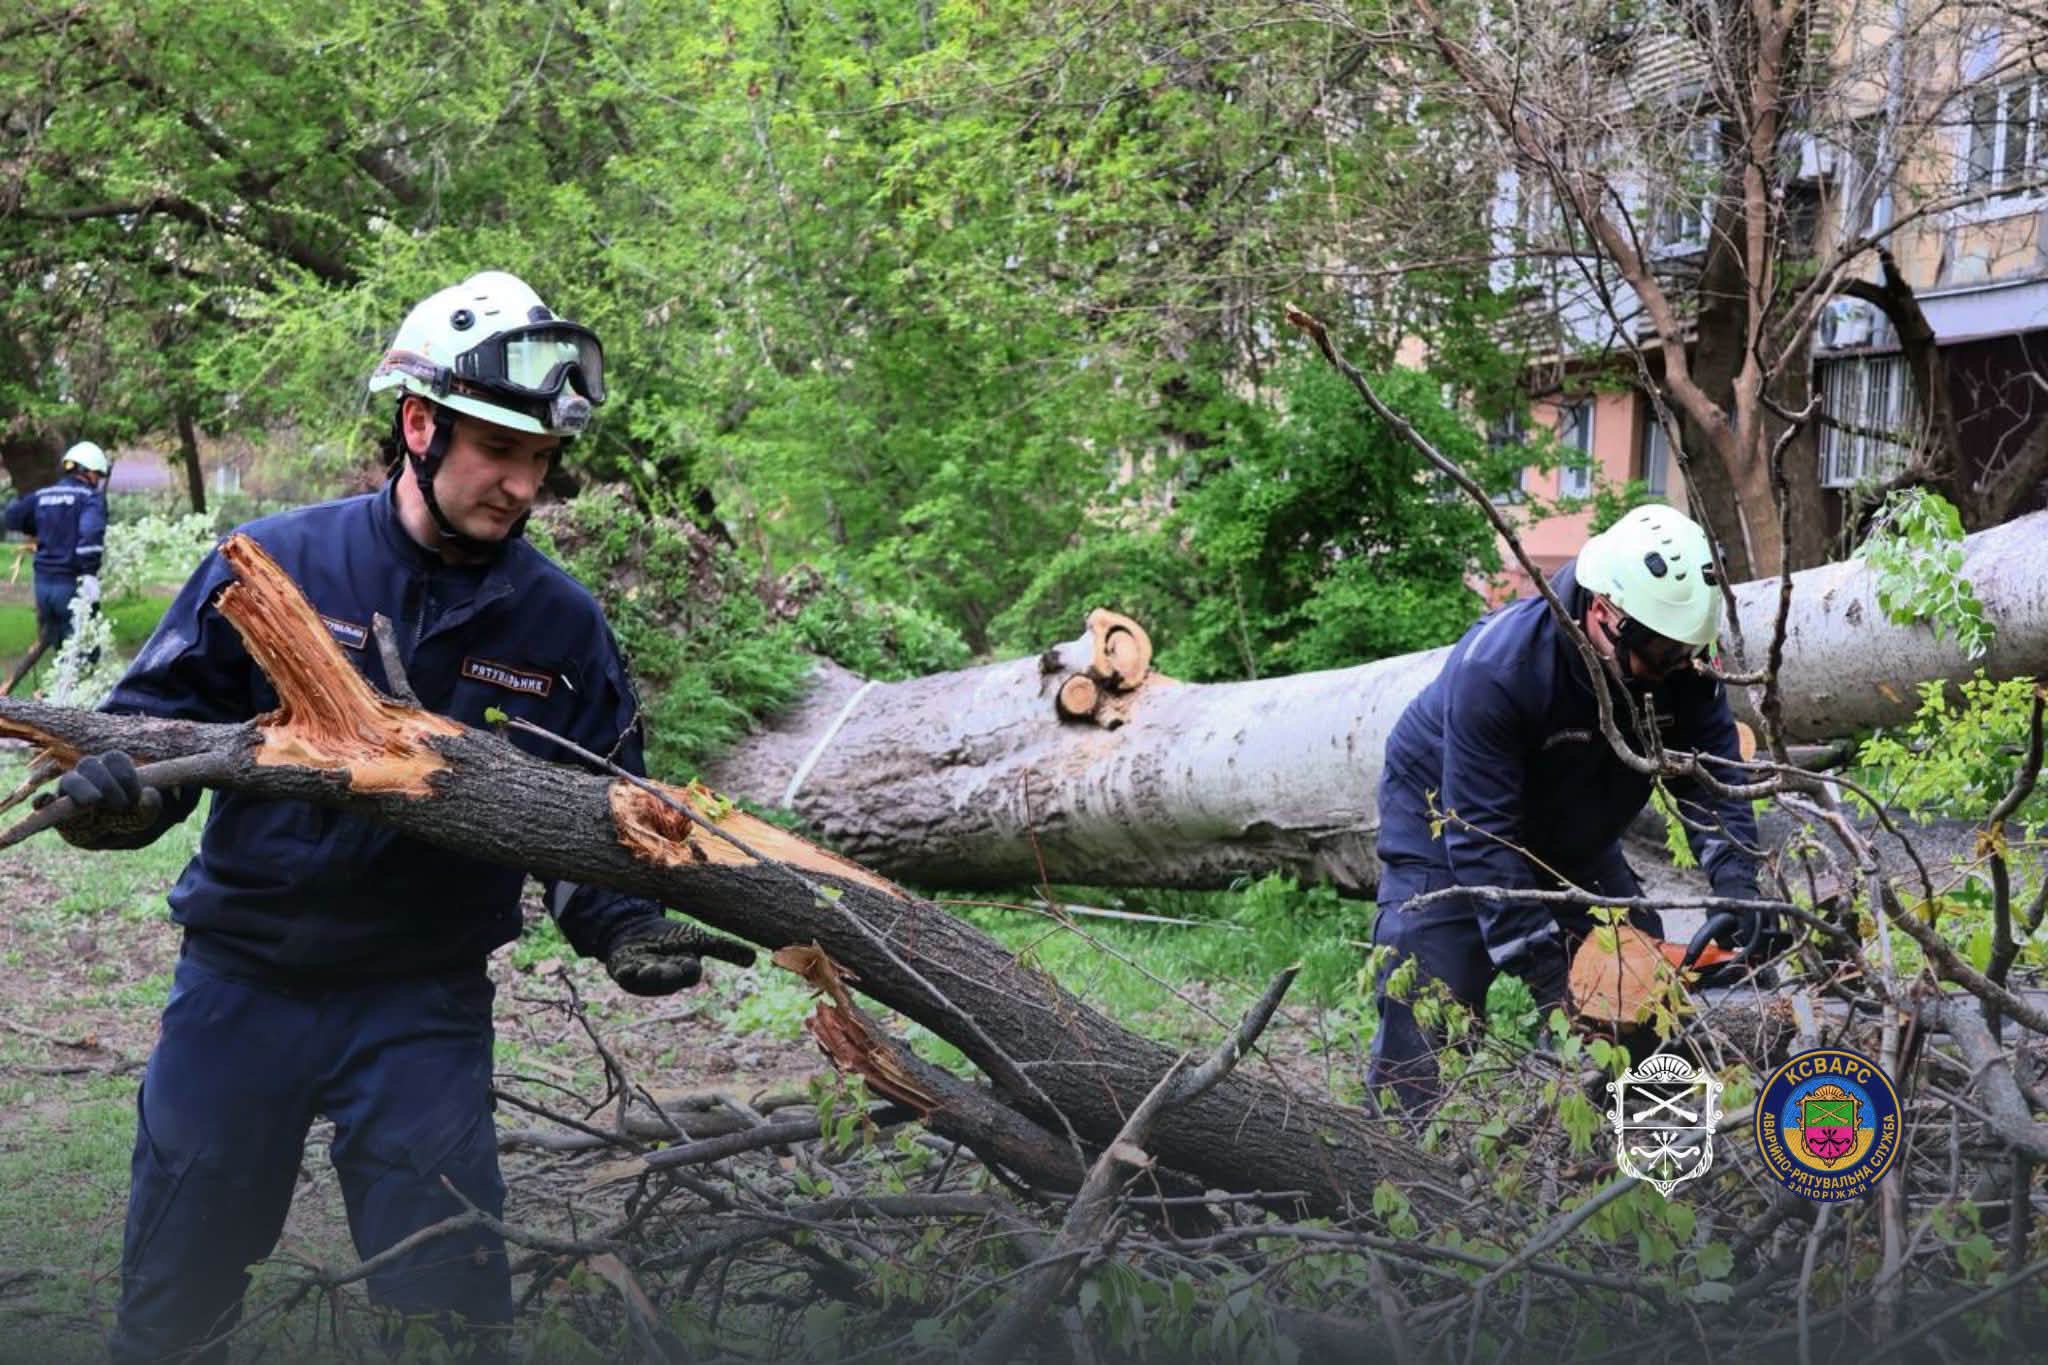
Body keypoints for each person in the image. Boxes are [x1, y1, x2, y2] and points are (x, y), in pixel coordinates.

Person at [49, 272, 722, 1363]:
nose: (520, 487)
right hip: (240, 986)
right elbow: (151, 738)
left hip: (421, 1008)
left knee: (450, 1314)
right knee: (176, 1301)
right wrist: (109, 805)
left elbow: (599, 807)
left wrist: (623, 924)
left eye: (540, 462)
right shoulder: (275, 565)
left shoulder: (558, 623)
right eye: (499, 452)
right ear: (419, 425)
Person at [1367, 504, 1778, 1111]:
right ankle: (1403, 1153)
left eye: (1681, 653)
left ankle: (1635, 1150)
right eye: (1657, 652)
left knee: (1636, 979)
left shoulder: (1680, 667)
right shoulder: (1501, 670)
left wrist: (1740, 884)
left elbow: (1710, 778)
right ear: (1604, 612)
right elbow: (1483, 838)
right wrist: (1553, 979)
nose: (1668, 671)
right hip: (1450, 823)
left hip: (1572, 831)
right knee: (1432, 982)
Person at [3, 439, 110, 656]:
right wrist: (89, 574)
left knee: (61, 650)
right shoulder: (90, 498)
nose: (97, 480)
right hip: (71, 585)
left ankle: (58, 689)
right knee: (85, 653)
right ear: (88, 472)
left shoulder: (42, 496)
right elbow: (90, 534)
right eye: (97, 475)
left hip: (43, 587)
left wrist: (37, 526)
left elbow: (12, 517)